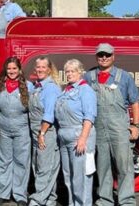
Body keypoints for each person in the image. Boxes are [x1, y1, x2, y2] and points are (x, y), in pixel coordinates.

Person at [84, 43, 139, 206]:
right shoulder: (89, 77)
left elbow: (135, 102)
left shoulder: (124, 77)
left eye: (107, 55)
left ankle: (127, 201)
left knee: (124, 167)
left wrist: (136, 126)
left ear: (113, 56)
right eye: (101, 54)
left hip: (119, 129)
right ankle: (105, 200)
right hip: (99, 128)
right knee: (103, 168)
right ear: (96, 56)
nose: (104, 57)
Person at [55, 59, 97, 206]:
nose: (69, 74)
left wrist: (83, 139)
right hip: (65, 136)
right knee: (69, 176)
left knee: (82, 177)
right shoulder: (66, 90)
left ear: (80, 72)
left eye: (73, 71)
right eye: (67, 71)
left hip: (79, 137)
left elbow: (89, 117)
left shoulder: (86, 90)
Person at [0, 57, 34, 206]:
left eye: (14, 69)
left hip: (21, 128)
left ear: (19, 70)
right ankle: (3, 193)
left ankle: (20, 195)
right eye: (9, 69)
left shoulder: (28, 86)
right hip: (2, 128)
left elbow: (33, 110)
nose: (11, 71)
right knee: (3, 161)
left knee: (21, 161)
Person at [28, 56, 61, 206]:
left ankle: (37, 199)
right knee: (39, 166)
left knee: (45, 168)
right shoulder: (36, 87)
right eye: (38, 67)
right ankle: (50, 199)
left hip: (46, 132)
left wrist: (42, 134)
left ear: (49, 69)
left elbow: (49, 113)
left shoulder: (51, 88)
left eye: (43, 67)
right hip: (36, 131)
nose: (40, 69)